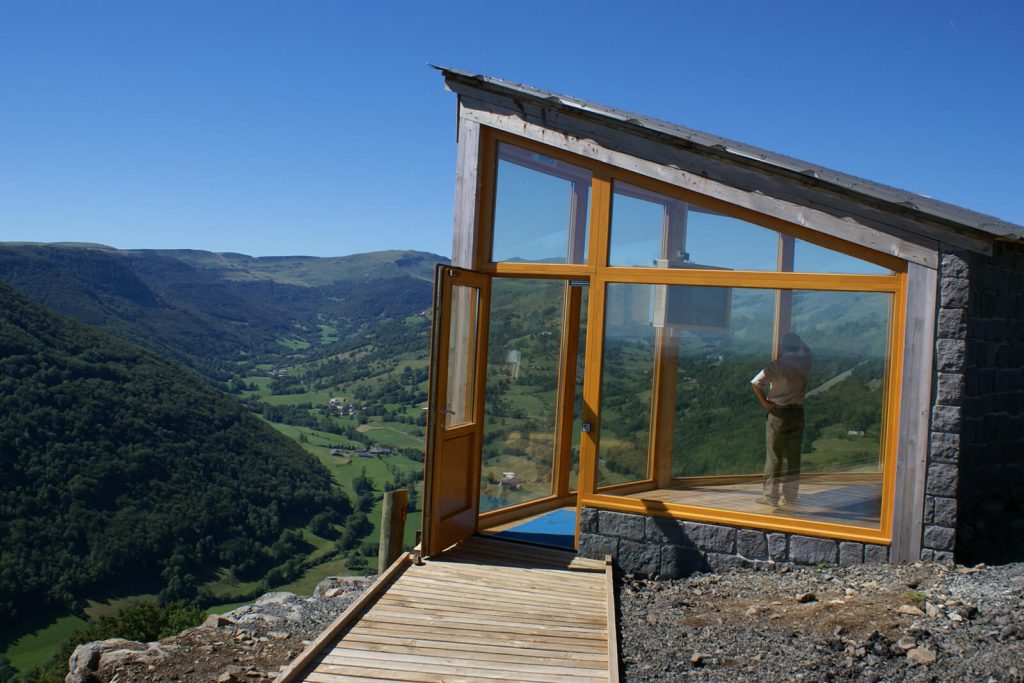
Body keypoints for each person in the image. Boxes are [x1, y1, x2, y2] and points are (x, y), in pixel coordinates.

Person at [751, 332, 812, 509]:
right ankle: (791, 497)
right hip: (798, 413)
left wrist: (765, 402)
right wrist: (801, 342)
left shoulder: (777, 365)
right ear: (798, 346)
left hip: (778, 413)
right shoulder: (804, 362)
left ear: (783, 347)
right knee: (794, 456)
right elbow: (808, 351)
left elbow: (756, 383)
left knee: (774, 455)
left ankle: (771, 496)